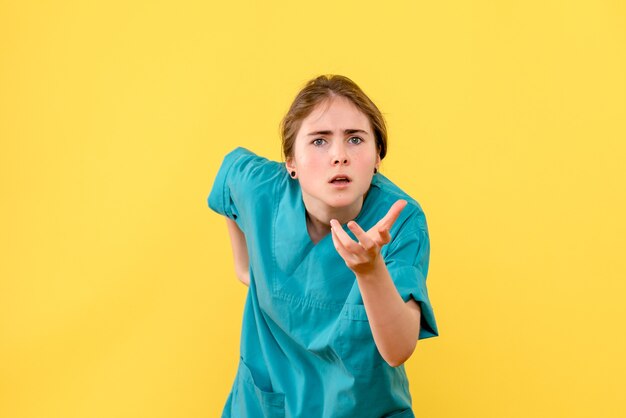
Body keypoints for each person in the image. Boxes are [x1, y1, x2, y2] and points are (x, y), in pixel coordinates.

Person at [207, 74, 439, 418]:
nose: (339, 156)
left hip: (360, 408)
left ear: (377, 157)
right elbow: (229, 176)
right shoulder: (261, 189)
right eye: (319, 141)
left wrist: (370, 270)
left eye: (356, 139)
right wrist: (248, 270)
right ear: (291, 162)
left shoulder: (399, 221)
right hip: (266, 407)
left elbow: (398, 349)